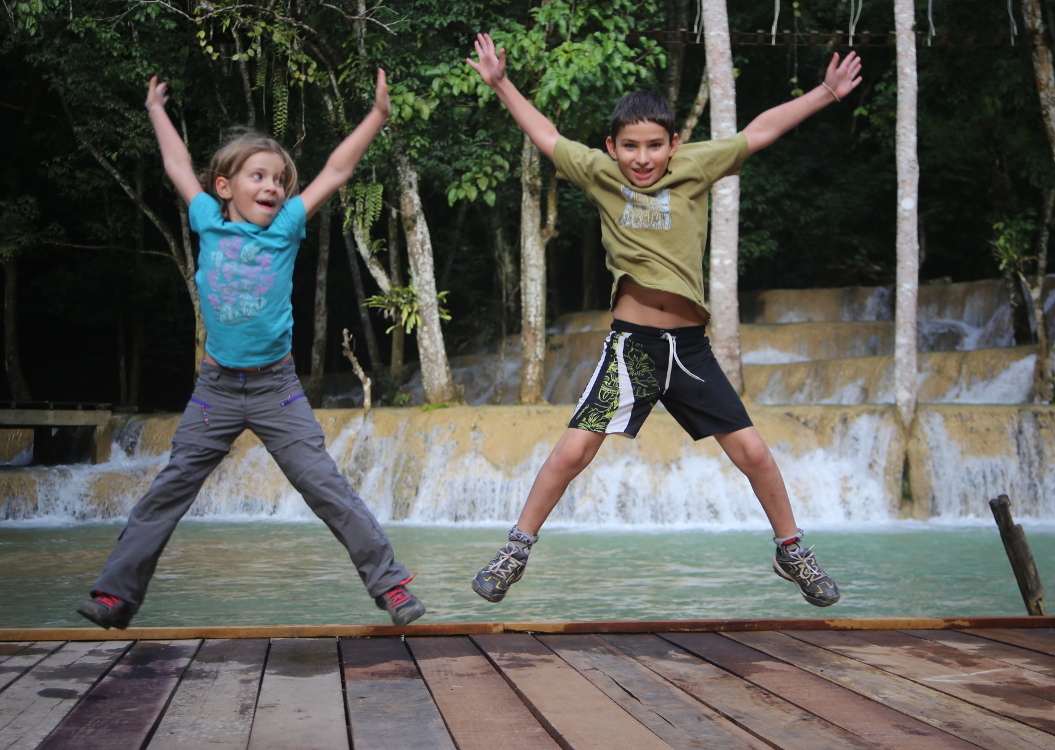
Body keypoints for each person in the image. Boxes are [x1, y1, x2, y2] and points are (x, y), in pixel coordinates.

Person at [466, 33, 861, 609]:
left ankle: (791, 548)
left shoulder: (696, 166)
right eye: (630, 146)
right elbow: (547, 136)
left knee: (753, 453)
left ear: (674, 144)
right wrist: (502, 84)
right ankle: (516, 550)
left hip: (690, 352)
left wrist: (825, 92)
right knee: (573, 452)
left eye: (654, 145)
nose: (643, 158)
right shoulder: (602, 174)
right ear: (612, 146)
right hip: (633, 350)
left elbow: (763, 129)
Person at [77, 70, 425, 629]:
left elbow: (336, 170)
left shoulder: (286, 225)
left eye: (280, 179)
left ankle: (393, 587)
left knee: (324, 485)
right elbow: (174, 165)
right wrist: (155, 110)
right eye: (258, 176)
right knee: (170, 490)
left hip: (275, 389)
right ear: (224, 186)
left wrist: (378, 117)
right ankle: (116, 596)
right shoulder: (207, 221)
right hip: (215, 390)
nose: (273, 187)